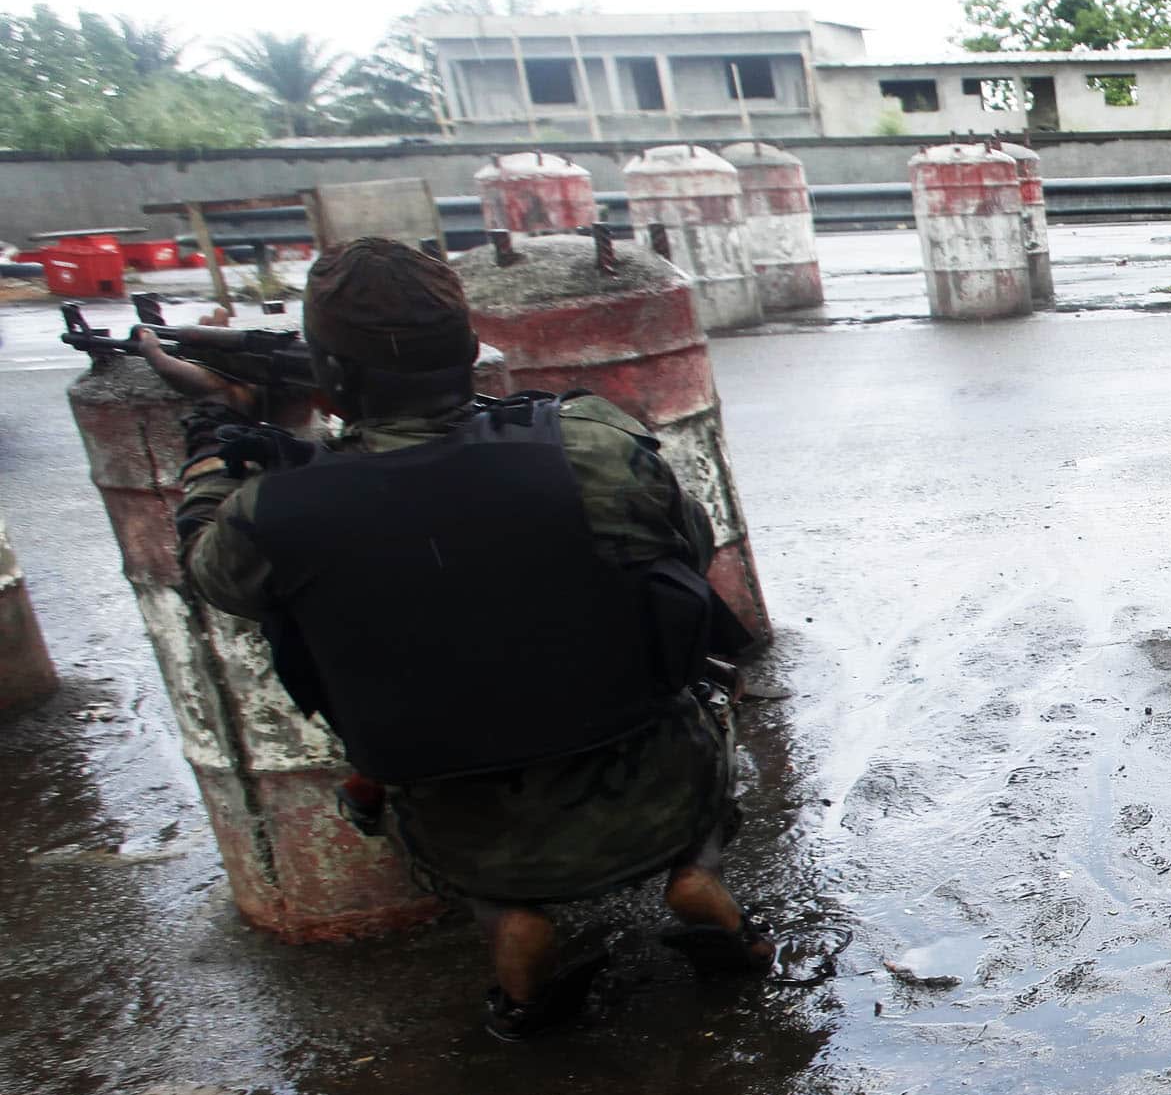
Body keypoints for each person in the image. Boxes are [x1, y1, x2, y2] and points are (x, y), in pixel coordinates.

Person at [172, 239, 769, 1038]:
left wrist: (221, 447)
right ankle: (697, 875)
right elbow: (687, 548)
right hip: (655, 783)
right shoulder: (586, 443)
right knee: (678, 633)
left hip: (468, 826)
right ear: (466, 351)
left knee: (313, 631)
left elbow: (211, 573)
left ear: (333, 378)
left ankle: (515, 942)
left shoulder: (275, 513)